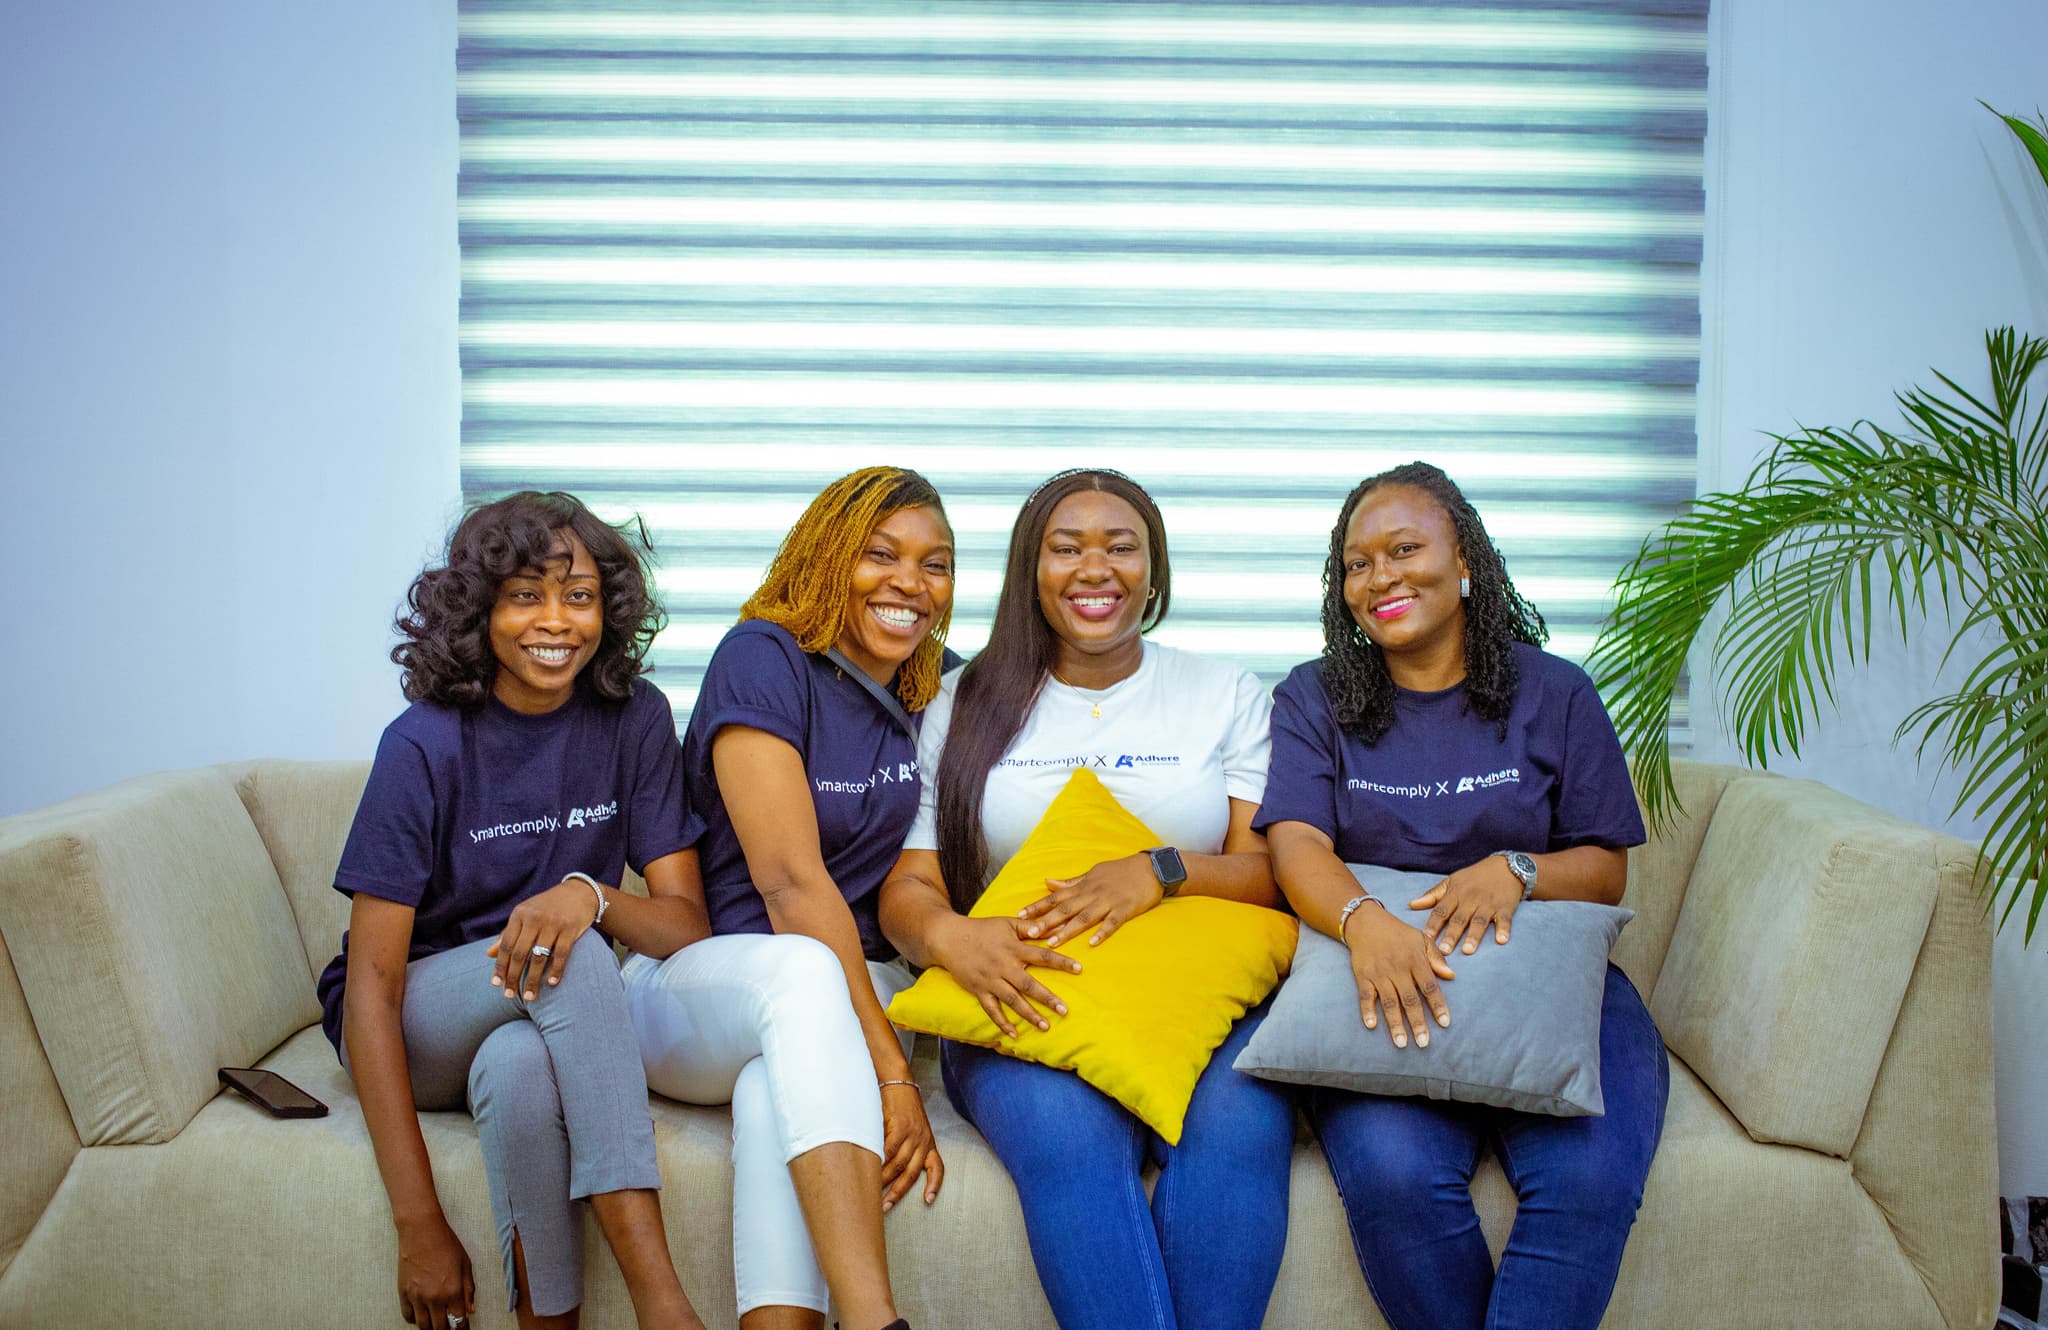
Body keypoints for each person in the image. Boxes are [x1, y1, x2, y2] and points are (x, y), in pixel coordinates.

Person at [877, 468, 1295, 1330]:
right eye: (1066, 549)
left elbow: (1270, 876)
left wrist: (1160, 869)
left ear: (1155, 569)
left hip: (1202, 1001)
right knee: (1068, 1143)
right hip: (1023, 993)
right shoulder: (965, 699)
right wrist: (953, 941)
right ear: (1033, 569)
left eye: (1121, 547)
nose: (1094, 569)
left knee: (1242, 1134)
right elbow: (908, 889)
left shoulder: (1224, 693)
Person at [1255, 461, 1667, 1330]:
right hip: (1388, 987)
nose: (1380, 578)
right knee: (1396, 1181)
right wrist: (1364, 925)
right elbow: (1294, 844)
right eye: (1356, 566)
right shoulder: (1314, 696)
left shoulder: (1555, 691)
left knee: (1589, 1182)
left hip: (1551, 988)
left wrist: (1517, 869)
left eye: (1404, 549)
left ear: (1467, 561)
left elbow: (1602, 866)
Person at [319, 491, 710, 1330]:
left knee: (520, 1071)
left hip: (520, 1018)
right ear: (479, 611)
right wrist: (418, 1225)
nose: (556, 621)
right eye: (525, 594)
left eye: (579, 597)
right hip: (417, 1016)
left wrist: (593, 897)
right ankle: (665, 1306)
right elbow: (372, 989)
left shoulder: (633, 719)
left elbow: (684, 924)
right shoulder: (421, 743)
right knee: (572, 964)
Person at [620, 466, 950, 1330]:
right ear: (827, 556)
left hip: (841, 998)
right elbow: (790, 886)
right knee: (802, 975)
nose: (909, 584)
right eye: (880, 555)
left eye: (935, 564)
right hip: (702, 991)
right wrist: (892, 1073)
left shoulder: (936, 686)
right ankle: (878, 1321)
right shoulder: (762, 659)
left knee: (779, 1093)